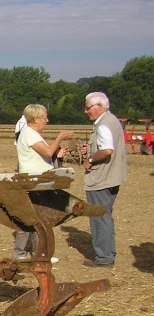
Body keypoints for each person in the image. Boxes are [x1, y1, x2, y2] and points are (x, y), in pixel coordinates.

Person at [13, 103, 72, 260]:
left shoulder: (31, 134)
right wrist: (60, 137)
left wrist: (57, 156)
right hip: (33, 182)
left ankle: (38, 253)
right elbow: (47, 151)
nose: (47, 120)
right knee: (32, 218)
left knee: (38, 218)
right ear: (36, 119)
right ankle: (23, 253)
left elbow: (44, 155)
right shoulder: (30, 134)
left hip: (37, 180)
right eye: (45, 117)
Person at [79, 92, 127, 267]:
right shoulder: (112, 120)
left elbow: (107, 150)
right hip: (113, 178)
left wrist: (90, 159)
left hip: (101, 179)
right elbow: (105, 146)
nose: (86, 111)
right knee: (106, 216)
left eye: (88, 107)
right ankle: (108, 254)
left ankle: (104, 258)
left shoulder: (103, 125)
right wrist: (91, 148)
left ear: (99, 106)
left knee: (99, 217)